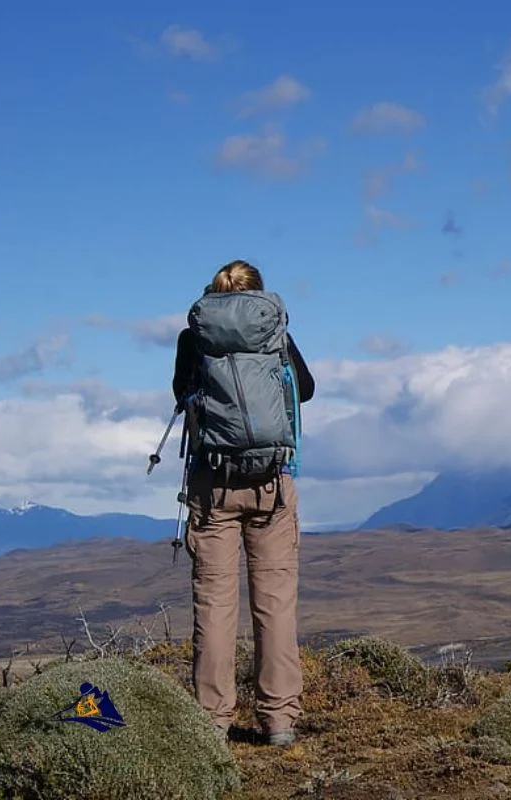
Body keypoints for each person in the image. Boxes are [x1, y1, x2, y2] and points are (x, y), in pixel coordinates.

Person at [171, 259, 315, 747]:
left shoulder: (195, 336)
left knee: (213, 605)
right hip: (272, 484)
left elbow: (180, 393)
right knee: (274, 605)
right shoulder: (273, 331)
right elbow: (307, 390)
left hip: (211, 486)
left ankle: (212, 721)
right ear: (258, 295)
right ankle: (278, 720)